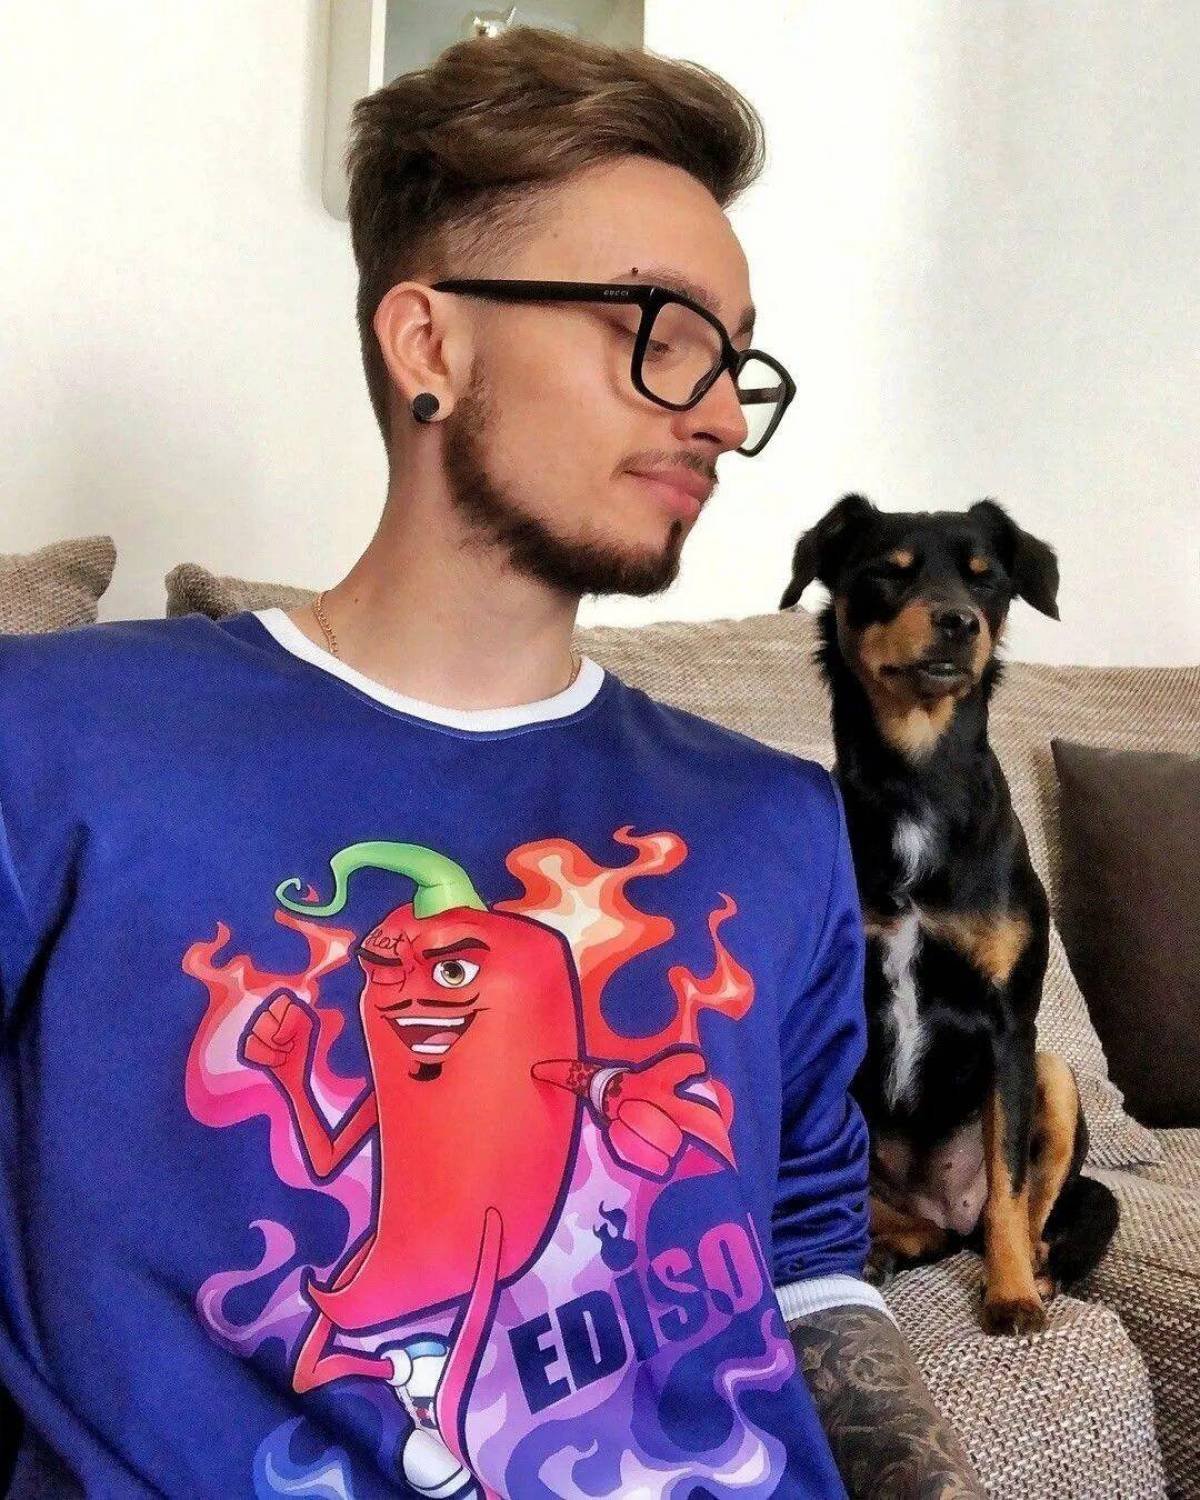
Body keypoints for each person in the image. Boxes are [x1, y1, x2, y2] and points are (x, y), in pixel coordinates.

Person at [0, 24, 985, 1500]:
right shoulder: (56, 740)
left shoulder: (779, 816)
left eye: (734, 360)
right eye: (659, 331)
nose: (722, 415)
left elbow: (806, 1260)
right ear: (430, 345)